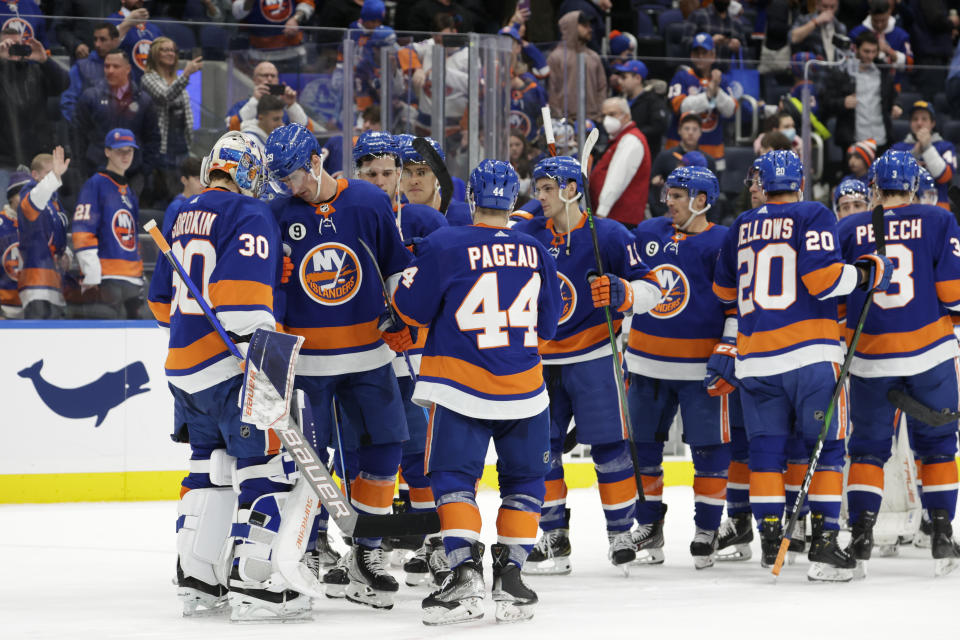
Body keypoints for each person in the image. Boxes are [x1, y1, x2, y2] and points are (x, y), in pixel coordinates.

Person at [392, 159, 561, 625]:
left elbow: (410, 309)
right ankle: (512, 576)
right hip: (527, 391)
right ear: (512, 200)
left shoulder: (445, 242)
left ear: (472, 201)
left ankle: (463, 572)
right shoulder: (535, 248)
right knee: (526, 483)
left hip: (460, 387)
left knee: (452, 481)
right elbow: (550, 323)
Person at [146, 131, 307, 621]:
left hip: (184, 367)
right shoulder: (250, 213)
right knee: (263, 465)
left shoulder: (181, 213)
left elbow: (158, 306)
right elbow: (240, 304)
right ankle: (257, 581)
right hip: (232, 362)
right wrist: (261, 362)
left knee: (208, 465)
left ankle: (199, 577)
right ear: (251, 173)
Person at [712, 149, 893, 582]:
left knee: (765, 455)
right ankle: (825, 542)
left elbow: (723, 291)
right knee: (827, 450)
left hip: (755, 360)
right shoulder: (813, 213)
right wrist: (866, 274)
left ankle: (772, 539)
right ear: (799, 181)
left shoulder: (741, 224)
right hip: (810, 355)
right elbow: (824, 280)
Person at [265, 123, 413, 610]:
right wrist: (274, 281)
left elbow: (396, 266)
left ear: (316, 160)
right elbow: (262, 289)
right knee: (310, 459)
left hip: (370, 356)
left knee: (386, 446)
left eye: (296, 176)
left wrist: (405, 312)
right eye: (283, 181)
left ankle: (366, 552)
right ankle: (307, 551)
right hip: (307, 364)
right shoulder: (278, 213)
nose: (293, 187)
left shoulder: (369, 202)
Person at [513, 155, 661, 575]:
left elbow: (654, 290)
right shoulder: (528, 234)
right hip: (540, 359)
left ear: (571, 190)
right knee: (542, 453)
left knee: (611, 448)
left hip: (596, 356)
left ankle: (619, 534)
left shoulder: (610, 235)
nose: (538, 197)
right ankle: (554, 537)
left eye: (545, 189)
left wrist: (624, 292)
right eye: (537, 188)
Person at [837, 150, 960, 578]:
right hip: (930, 353)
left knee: (868, 451)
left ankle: (862, 535)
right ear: (913, 185)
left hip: (872, 358)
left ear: (873, 186)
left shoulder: (849, 227)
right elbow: (954, 292)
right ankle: (942, 532)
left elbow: (835, 293)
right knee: (939, 445)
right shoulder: (939, 219)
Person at [625, 166, 739, 569]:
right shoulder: (647, 232)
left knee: (709, 451)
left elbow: (735, 304)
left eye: (676, 195)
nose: (667, 202)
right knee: (642, 449)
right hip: (645, 363)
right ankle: (648, 526)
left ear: (701, 200)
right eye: (667, 195)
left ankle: (707, 528)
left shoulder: (724, 242)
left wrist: (730, 344)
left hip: (699, 370)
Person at [352, 130, 447, 587]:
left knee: (421, 455)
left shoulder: (424, 220)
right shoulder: (349, 214)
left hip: (415, 355)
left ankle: (434, 541)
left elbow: (446, 284)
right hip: (362, 357)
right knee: (365, 454)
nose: (383, 180)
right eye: (372, 173)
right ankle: (362, 543)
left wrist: (419, 329)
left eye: (389, 172)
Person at [72, 129, 144, 319]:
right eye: (120, 150)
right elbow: (82, 231)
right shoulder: (95, 185)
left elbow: (133, 238)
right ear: (107, 152)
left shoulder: (129, 191)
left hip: (131, 282)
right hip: (105, 279)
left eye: (129, 151)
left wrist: (139, 275)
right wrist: (92, 273)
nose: (125, 155)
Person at [73, 49, 160, 191]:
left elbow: (153, 138)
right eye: (107, 66)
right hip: (96, 170)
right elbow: (78, 136)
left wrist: (144, 169)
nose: (110, 70)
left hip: (132, 174)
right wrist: (82, 169)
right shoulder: (90, 97)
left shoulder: (144, 100)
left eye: (115, 66)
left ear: (128, 69)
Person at [140, 37, 203, 204]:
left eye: (173, 50)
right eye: (165, 50)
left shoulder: (177, 80)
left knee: (182, 194)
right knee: (165, 194)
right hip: (162, 147)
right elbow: (165, 96)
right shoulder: (148, 78)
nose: (170, 53)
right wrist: (187, 74)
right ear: (154, 54)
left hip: (181, 146)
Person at [0, 27, 70, 177]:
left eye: (18, 45)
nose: (14, 50)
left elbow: (64, 83)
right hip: (3, 158)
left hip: (37, 156)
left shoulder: (36, 72)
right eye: (8, 46)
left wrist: (44, 60)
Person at [664, 33, 738, 169]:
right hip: (680, 151)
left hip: (713, 149)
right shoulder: (681, 77)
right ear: (691, 56)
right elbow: (679, 107)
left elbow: (731, 111)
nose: (700, 57)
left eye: (705, 53)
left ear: (713, 56)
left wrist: (716, 91)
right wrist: (708, 96)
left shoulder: (721, 79)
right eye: (697, 53)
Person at [821, 30, 901, 153]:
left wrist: (896, 105)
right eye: (866, 51)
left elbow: (893, 96)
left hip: (880, 138)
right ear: (856, 49)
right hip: (854, 140)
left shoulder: (884, 72)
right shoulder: (843, 72)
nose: (870, 56)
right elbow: (826, 102)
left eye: (874, 52)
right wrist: (843, 102)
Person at [17, 149, 70, 319]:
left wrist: (66, 253)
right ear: (35, 174)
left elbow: (57, 235)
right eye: (48, 173)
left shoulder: (55, 203)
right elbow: (36, 199)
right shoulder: (28, 193)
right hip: (36, 286)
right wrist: (54, 177)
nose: (54, 176)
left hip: (55, 284)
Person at [588, 97, 651, 226]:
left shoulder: (630, 140)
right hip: (611, 217)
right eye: (604, 115)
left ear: (626, 116)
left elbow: (616, 179)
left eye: (612, 114)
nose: (607, 119)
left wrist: (601, 213)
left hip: (617, 219)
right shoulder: (619, 139)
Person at [889, 101, 956, 211]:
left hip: (938, 207)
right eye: (915, 119)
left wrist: (927, 148)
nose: (919, 123)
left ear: (933, 123)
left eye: (924, 119)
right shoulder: (898, 148)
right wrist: (915, 152)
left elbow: (944, 176)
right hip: (904, 208)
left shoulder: (945, 146)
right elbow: (892, 178)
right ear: (910, 123)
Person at [397, 135, 472, 227]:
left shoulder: (468, 218)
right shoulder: (393, 220)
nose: (413, 181)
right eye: (407, 173)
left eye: (421, 173)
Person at [546, 11, 607, 123]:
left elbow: (602, 87)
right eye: (584, 26)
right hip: (565, 122)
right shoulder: (556, 57)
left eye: (590, 25)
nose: (590, 29)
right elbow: (551, 90)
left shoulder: (594, 57)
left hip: (592, 120)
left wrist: (599, 114)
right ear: (571, 27)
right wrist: (558, 117)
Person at [224, 61, 317, 133]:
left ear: (277, 79)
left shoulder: (285, 109)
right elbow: (232, 130)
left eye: (273, 76)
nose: (269, 79)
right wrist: (255, 100)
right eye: (265, 75)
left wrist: (292, 105)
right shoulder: (241, 106)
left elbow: (308, 131)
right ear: (255, 80)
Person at [60, 22, 121, 123]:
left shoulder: (124, 67)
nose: (97, 44)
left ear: (115, 42)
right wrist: (82, 127)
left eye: (103, 40)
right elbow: (68, 103)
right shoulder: (80, 67)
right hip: (88, 130)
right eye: (95, 39)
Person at [231, 0, 315, 64]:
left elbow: (307, 3)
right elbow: (237, 13)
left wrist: (296, 19)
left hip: (293, 51)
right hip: (259, 54)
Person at [615, 60, 669, 158]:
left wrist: (631, 133)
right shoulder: (621, 99)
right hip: (623, 152)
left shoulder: (653, 100)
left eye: (624, 77)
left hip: (646, 155)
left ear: (638, 78)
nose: (619, 81)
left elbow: (659, 126)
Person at [110, 1, 164, 83]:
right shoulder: (113, 20)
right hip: (126, 85)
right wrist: (127, 23)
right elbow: (108, 46)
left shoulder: (154, 28)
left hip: (154, 85)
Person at [0, 170, 29, 318]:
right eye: (21, 194)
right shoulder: (1, 224)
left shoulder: (40, 222)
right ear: (11, 197)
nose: (26, 199)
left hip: (34, 306)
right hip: (4, 307)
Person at [683, 0, 747, 59]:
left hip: (727, 69)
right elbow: (685, 43)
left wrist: (738, 48)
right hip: (702, 69)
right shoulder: (697, 16)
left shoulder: (736, 23)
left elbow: (747, 54)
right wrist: (709, 41)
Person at [163, 156, 203, 225]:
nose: (203, 183)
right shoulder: (176, 207)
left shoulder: (205, 204)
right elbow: (166, 235)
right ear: (184, 180)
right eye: (198, 179)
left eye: (204, 179)